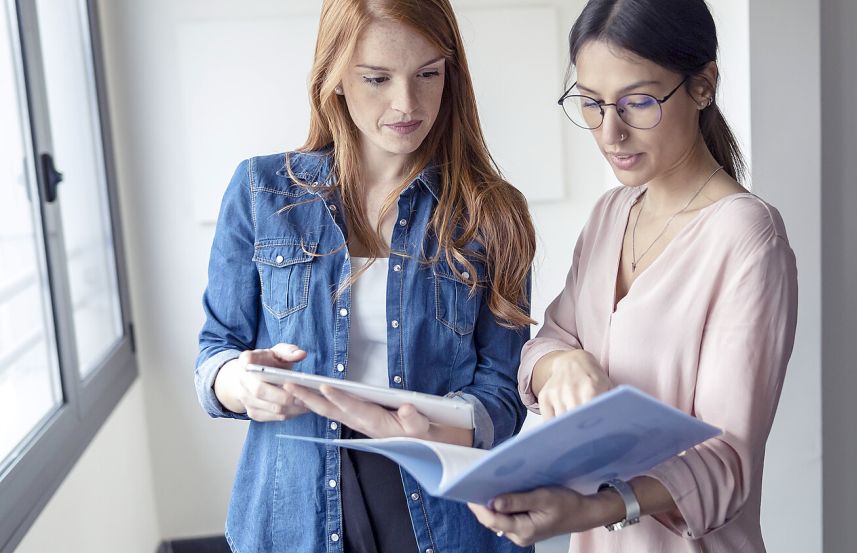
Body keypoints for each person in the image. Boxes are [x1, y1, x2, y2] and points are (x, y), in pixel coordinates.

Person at [194, 1, 536, 551]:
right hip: (293, 509)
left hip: (442, 507)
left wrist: (432, 431)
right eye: (377, 79)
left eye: (428, 74)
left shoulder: (491, 213)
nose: (407, 103)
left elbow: (503, 396)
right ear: (334, 78)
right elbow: (215, 354)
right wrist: (243, 383)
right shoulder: (262, 192)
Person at [468, 1, 798, 551]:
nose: (610, 132)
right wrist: (561, 364)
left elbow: (729, 460)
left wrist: (592, 507)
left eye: (638, 101)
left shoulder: (747, 235)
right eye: (592, 104)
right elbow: (544, 344)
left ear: (703, 86)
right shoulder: (611, 213)